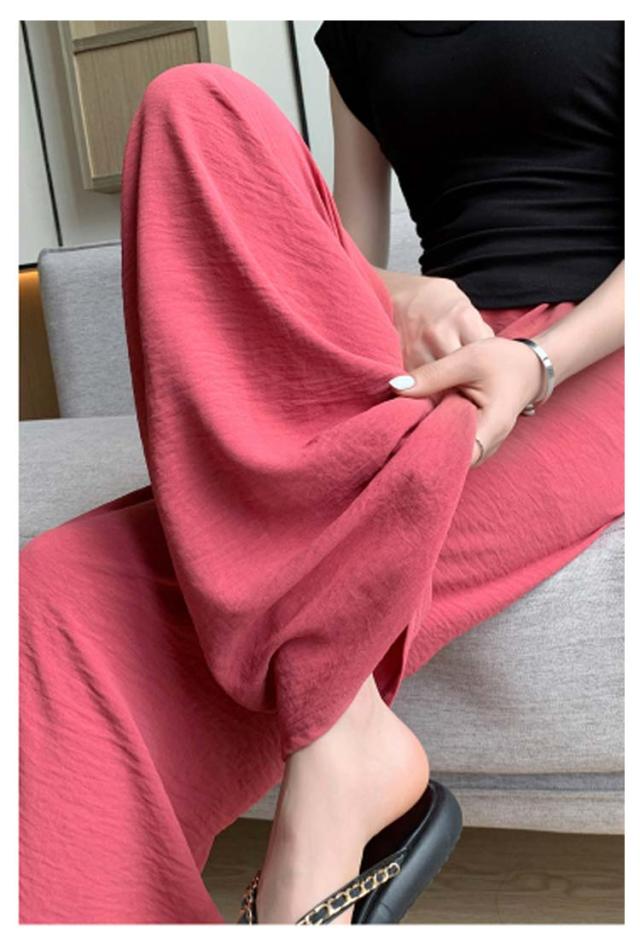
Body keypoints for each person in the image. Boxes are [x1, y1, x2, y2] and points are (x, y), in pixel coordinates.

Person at [19, 20, 623, 925]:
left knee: (378, 501)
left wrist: (538, 362)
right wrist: (399, 293)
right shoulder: (357, 33)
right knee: (62, 587)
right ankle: (343, 733)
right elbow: (347, 248)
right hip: (429, 358)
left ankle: (337, 772)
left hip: (594, 357)